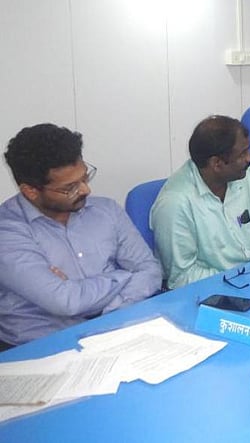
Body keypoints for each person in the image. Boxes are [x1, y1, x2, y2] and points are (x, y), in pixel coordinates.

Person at [0, 124, 162, 348]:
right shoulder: (7, 232)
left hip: (115, 327)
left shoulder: (106, 210)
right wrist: (122, 276)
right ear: (31, 191)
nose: (86, 190)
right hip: (42, 347)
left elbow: (149, 269)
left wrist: (112, 311)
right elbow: (65, 302)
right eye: (70, 188)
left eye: (85, 177)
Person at [151, 116, 250, 289]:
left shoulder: (242, 173)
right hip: (213, 291)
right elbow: (181, 277)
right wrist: (240, 277)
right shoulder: (175, 204)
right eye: (243, 154)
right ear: (216, 163)